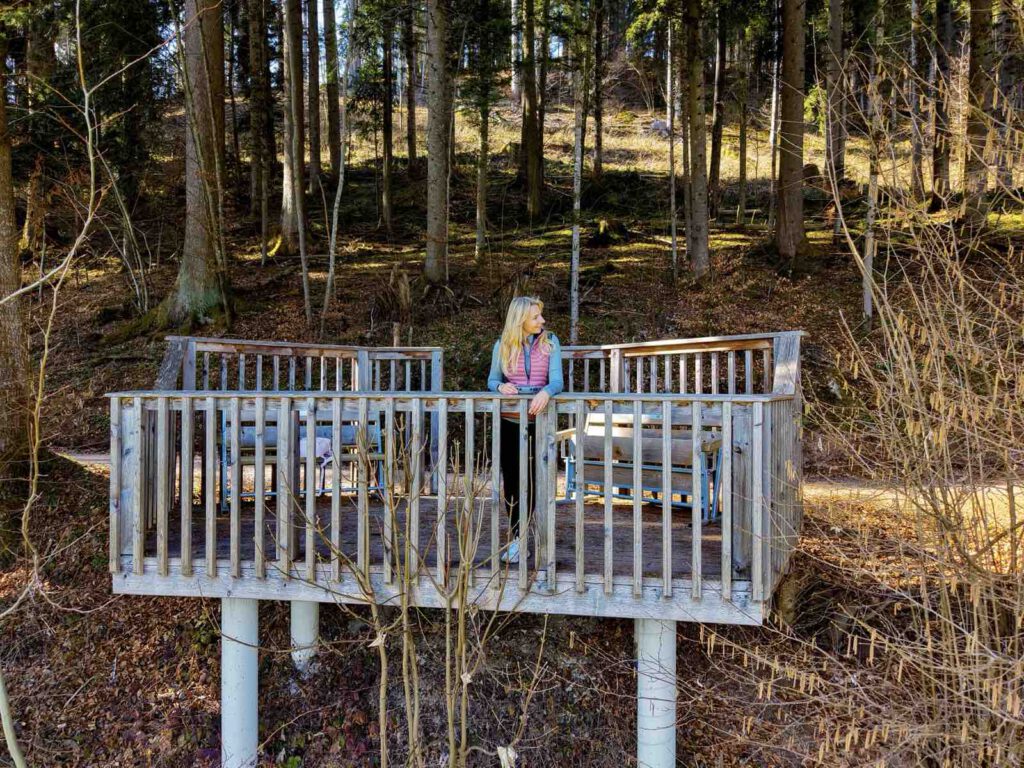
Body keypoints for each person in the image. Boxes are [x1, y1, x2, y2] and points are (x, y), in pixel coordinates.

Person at [486, 296, 564, 564]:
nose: (541, 321)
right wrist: (500, 387)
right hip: (510, 422)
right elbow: (492, 379)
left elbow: (557, 381)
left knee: (535, 482)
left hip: (539, 425)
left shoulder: (551, 342)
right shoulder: (503, 344)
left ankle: (538, 540)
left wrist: (546, 391)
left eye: (540, 315)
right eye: (535, 317)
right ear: (520, 320)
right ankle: (519, 540)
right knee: (513, 484)